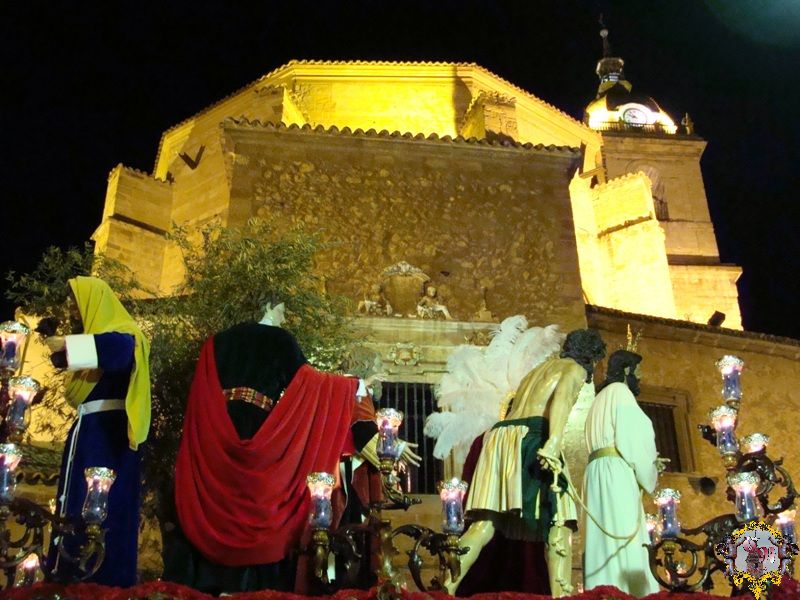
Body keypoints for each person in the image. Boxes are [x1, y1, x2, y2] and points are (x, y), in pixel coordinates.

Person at [168, 302, 418, 594]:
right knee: (261, 503)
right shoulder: (280, 340)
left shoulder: (216, 342)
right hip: (261, 429)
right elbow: (309, 384)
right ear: (268, 306)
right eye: (282, 310)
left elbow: (202, 391)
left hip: (218, 433)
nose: (285, 316)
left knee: (218, 499)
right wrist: (354, 386)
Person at [448, 328, 606, 597]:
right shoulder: (575, 369)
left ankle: (446, 587)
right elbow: (561, 401)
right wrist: (553, 443)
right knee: (560, 520)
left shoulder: (537, 371)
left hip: (500, 436)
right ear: (590, 355)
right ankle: (561, 595)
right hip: (533, 435)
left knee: (484, 523)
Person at [44, 276, 150, 587]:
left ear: (95, 304)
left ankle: (102, 582)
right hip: (87, 434)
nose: (73, 313)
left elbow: (117, 351)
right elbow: (63, 358)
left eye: (77, 306)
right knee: (72, 506)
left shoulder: (126, 335)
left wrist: (66, 344)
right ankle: (66, 575)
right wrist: (58, 345)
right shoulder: (91, 351)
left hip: (107, 439)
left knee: (102, 512)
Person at [583, 349, 660, 597]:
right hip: (616, 472)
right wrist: (651, 469)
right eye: (637, 373)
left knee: (601, 541)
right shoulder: (621, 393)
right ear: (627, 371)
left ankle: (602, 590)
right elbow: (633, 439)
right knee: (624, 536)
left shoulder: (598, 399)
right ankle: (629, 592)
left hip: (596, 473)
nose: (640, 379)